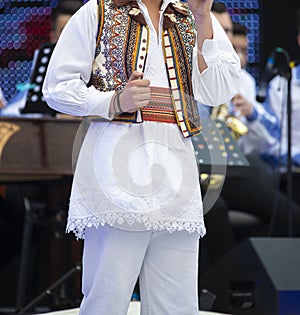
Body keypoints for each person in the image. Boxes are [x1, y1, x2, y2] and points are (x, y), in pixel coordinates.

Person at [42, 0, 241, 313]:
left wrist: (203, 17)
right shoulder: (98, 12)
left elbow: (220, 89)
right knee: (107, 298)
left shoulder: (190, 15)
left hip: (176, 173)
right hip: (114, 171)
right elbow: (56, 88)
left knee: (176, 304)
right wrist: (114, 101)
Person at [1, 0, 84, 117]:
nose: (71, 40)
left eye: (76, 33)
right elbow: (10, 114)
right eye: (64, 33)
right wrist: (57, 116)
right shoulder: (42, 67)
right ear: (53, 37)